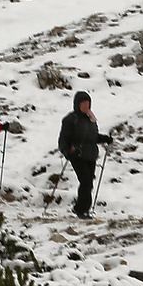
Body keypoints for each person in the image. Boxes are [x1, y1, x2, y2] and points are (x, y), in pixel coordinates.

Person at [58, 91, 112, 219]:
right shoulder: (70, 119)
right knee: (86, 182)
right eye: (83, 103)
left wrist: (104, 138)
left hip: (91, 154)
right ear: (77, 104)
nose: (86, 105)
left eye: (88, 103)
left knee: (89, 183)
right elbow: (63, 139)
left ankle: (81, 209)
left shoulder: (91, 118)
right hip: (77, 154)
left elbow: (93, 137)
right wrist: (67, 151)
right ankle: (82, 210)